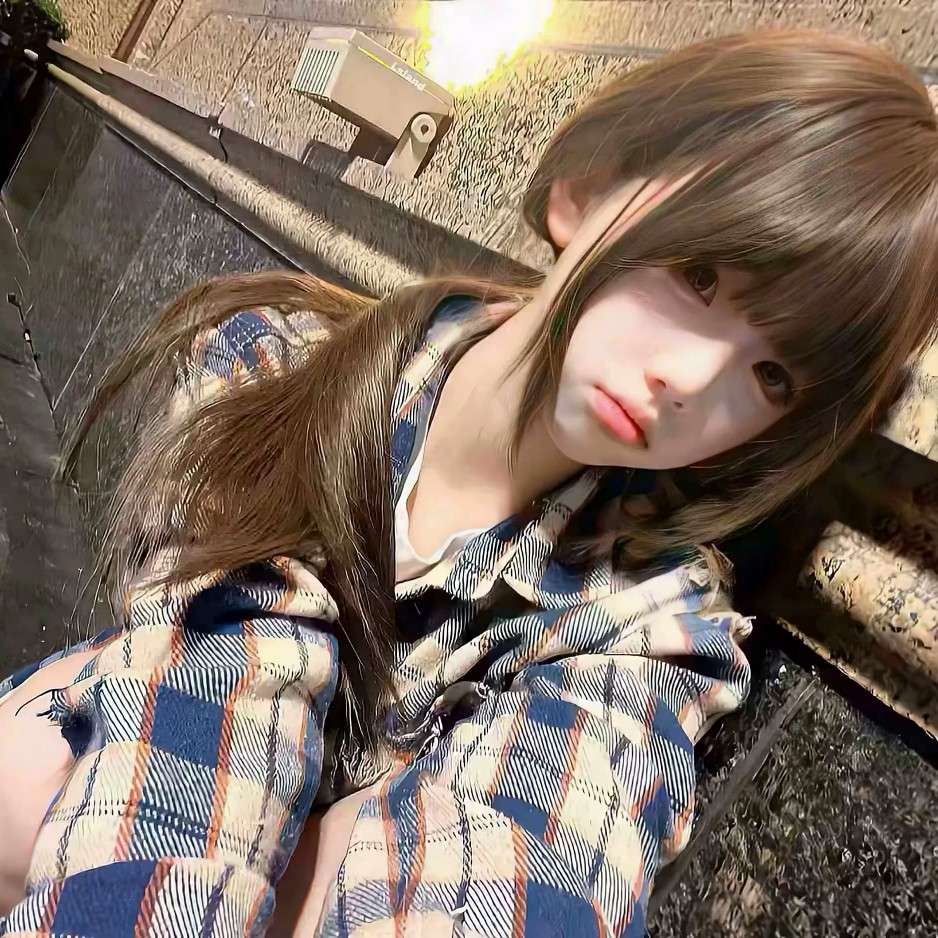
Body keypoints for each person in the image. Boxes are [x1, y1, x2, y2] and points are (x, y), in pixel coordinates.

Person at [1, 28, 937, 937]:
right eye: (699, 276)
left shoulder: (654, 626)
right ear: (588, 189)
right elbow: (212, 693)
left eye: (772, 377)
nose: (691, 380)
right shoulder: (277, 364)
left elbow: (543, 859)